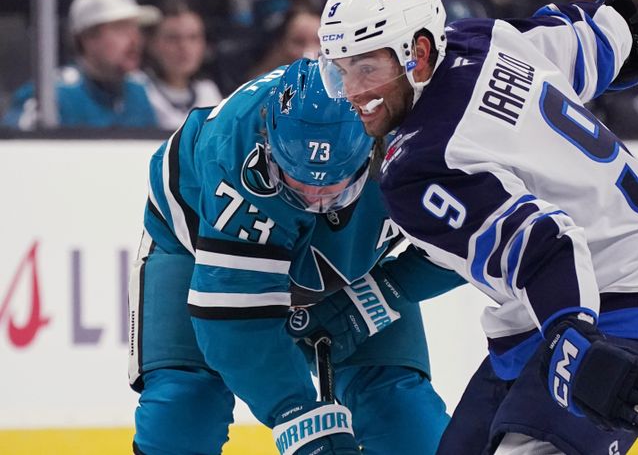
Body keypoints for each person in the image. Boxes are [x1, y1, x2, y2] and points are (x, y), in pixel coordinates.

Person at [314, 0, 638, 454]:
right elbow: (589, 42)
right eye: (341, 70)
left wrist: (574, 347)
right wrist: (619, 34)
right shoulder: (480, 39)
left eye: (368, 68)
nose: (353, 92)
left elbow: (545, 247)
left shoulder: (418, 167)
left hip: (627, 295)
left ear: (419, 54)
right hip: (568, 297)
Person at [128, 57, 462, 455]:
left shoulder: (423, 142)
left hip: (357, 263)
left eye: (333, 186)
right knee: (183, 413)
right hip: (196, 246)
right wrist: (301, 417)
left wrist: (387, 289)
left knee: (407, 423)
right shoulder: (234, 154)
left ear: (374, 149)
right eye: (297, 180)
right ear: (268, 143)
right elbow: (234, 319)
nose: (314, 198)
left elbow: (482, 240)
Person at [2, 0, 158, 130]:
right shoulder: (53, 94)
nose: (135, 40)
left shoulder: (139, 90)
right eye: (121, 29)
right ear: (87, 38)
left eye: (136, 28)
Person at [142, 0, 223, 129]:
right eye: (173, 38)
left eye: (193, 37)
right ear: (152, 44)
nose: (184, 47)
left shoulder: (208, 92)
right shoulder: (138, 88)